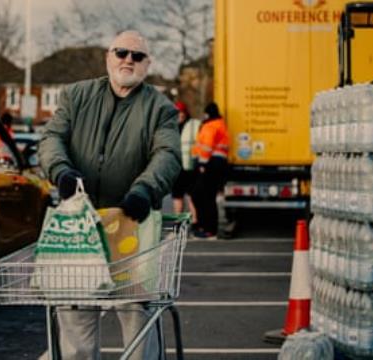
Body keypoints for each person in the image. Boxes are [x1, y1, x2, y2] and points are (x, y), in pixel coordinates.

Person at [38, 30, 181, 360]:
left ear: (147, 64)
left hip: (132, 223)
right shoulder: (77, 96)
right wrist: (61, 170)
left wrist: (146, 189)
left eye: (137, 55)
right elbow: (51, 139)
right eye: (121, 52)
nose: (128, 60)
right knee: (75, 312)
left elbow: (168, 154)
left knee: (137, 316)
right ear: (108, 57)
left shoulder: (160, 109)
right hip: (80, 223)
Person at [191, 102, 230, 240]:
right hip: (218, 164)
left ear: (208, 113)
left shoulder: (210, 126)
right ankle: (208, 229)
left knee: (201, 196)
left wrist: (202, 164)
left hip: (209, 164)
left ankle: (207, 229)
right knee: (208, 197)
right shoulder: (220, 124)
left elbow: (207, 146)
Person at [172, 101, 200, 224]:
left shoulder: (192, 125)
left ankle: (194, 220)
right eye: (178, 112)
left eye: (182, 112)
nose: (180, 115)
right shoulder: (171, 125)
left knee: (191, 195)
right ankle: (179, 220)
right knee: (178, 195)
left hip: (190, 166)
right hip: (177, 166)